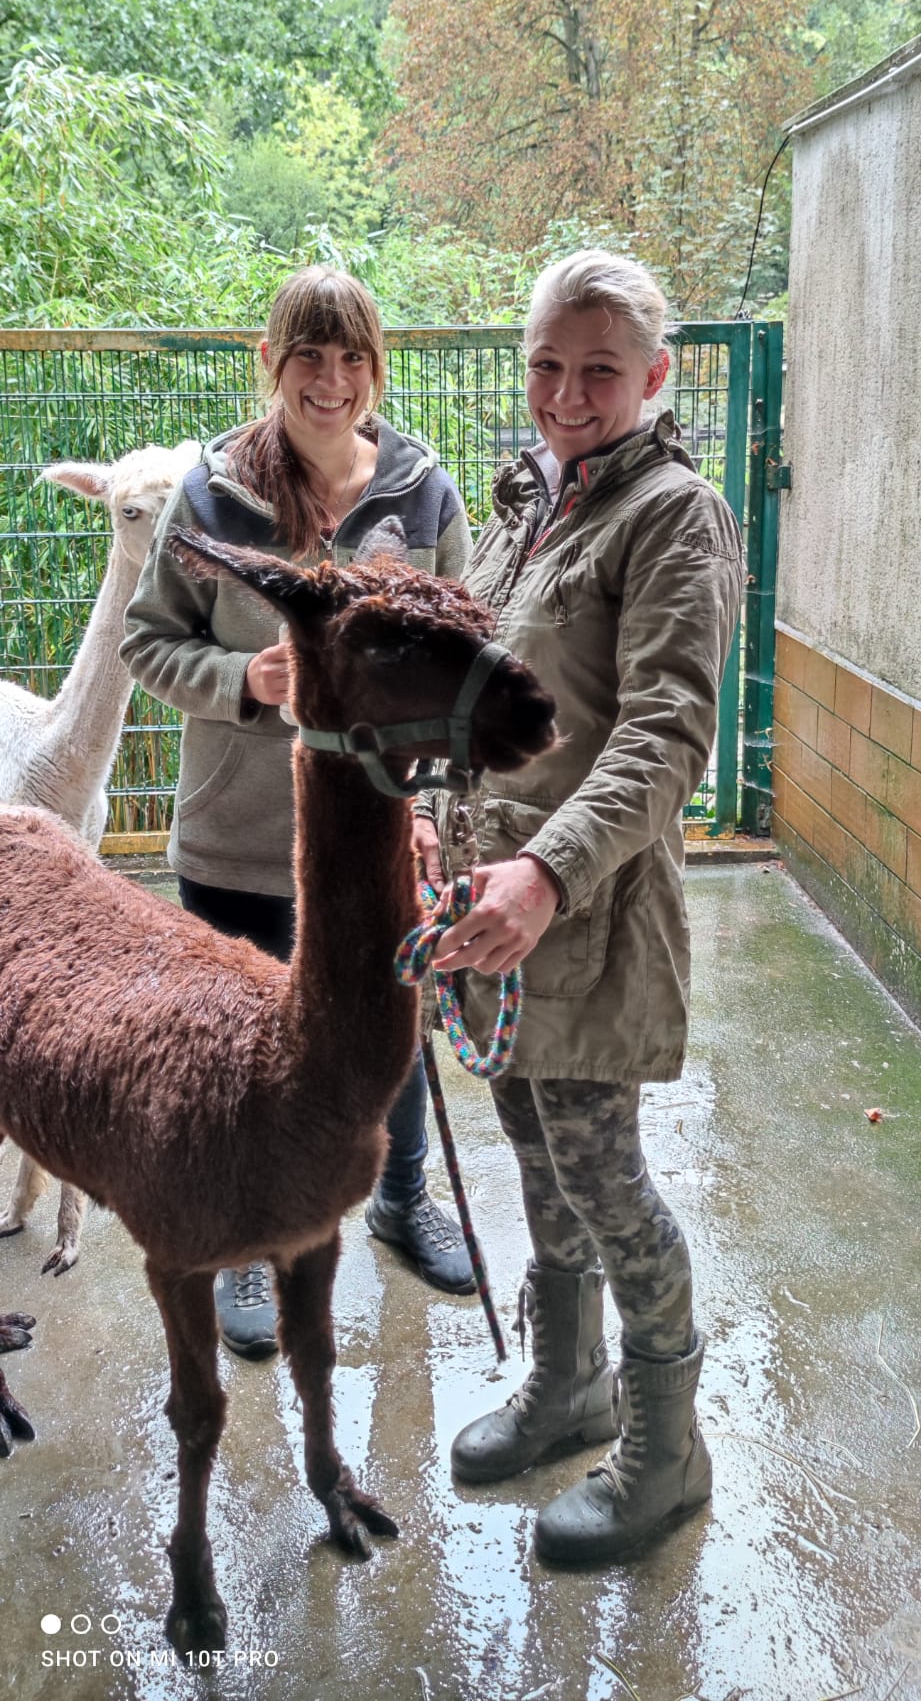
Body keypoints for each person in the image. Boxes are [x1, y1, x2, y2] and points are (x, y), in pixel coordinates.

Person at [414, 248, 744, 1565]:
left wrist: (546, 871)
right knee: (539, 1163)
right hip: (485, 911)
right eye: (548, 363)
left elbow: (666, 731)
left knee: (610, 1184)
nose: (565, 392)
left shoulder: (673, 515)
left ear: (654, 378)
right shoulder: (526, 503)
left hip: (584, 915)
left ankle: (667, 1454)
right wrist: (430, 827)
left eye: (598, 369)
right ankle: (570, 1390)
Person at [121, 265, 476, 1361]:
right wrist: (245, 679)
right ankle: (236, 1246)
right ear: (268, 361)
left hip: (374, 837)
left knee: (384, 1035)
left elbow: (459, 660)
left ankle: (402, 1197)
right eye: (308, 356)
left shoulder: (421, 493)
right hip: (240, 838)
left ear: (376, 367)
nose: (331, 380)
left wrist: (432, 810)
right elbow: (146, 640)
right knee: (229, 1051)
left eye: (352, 357)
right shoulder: (213, 494)